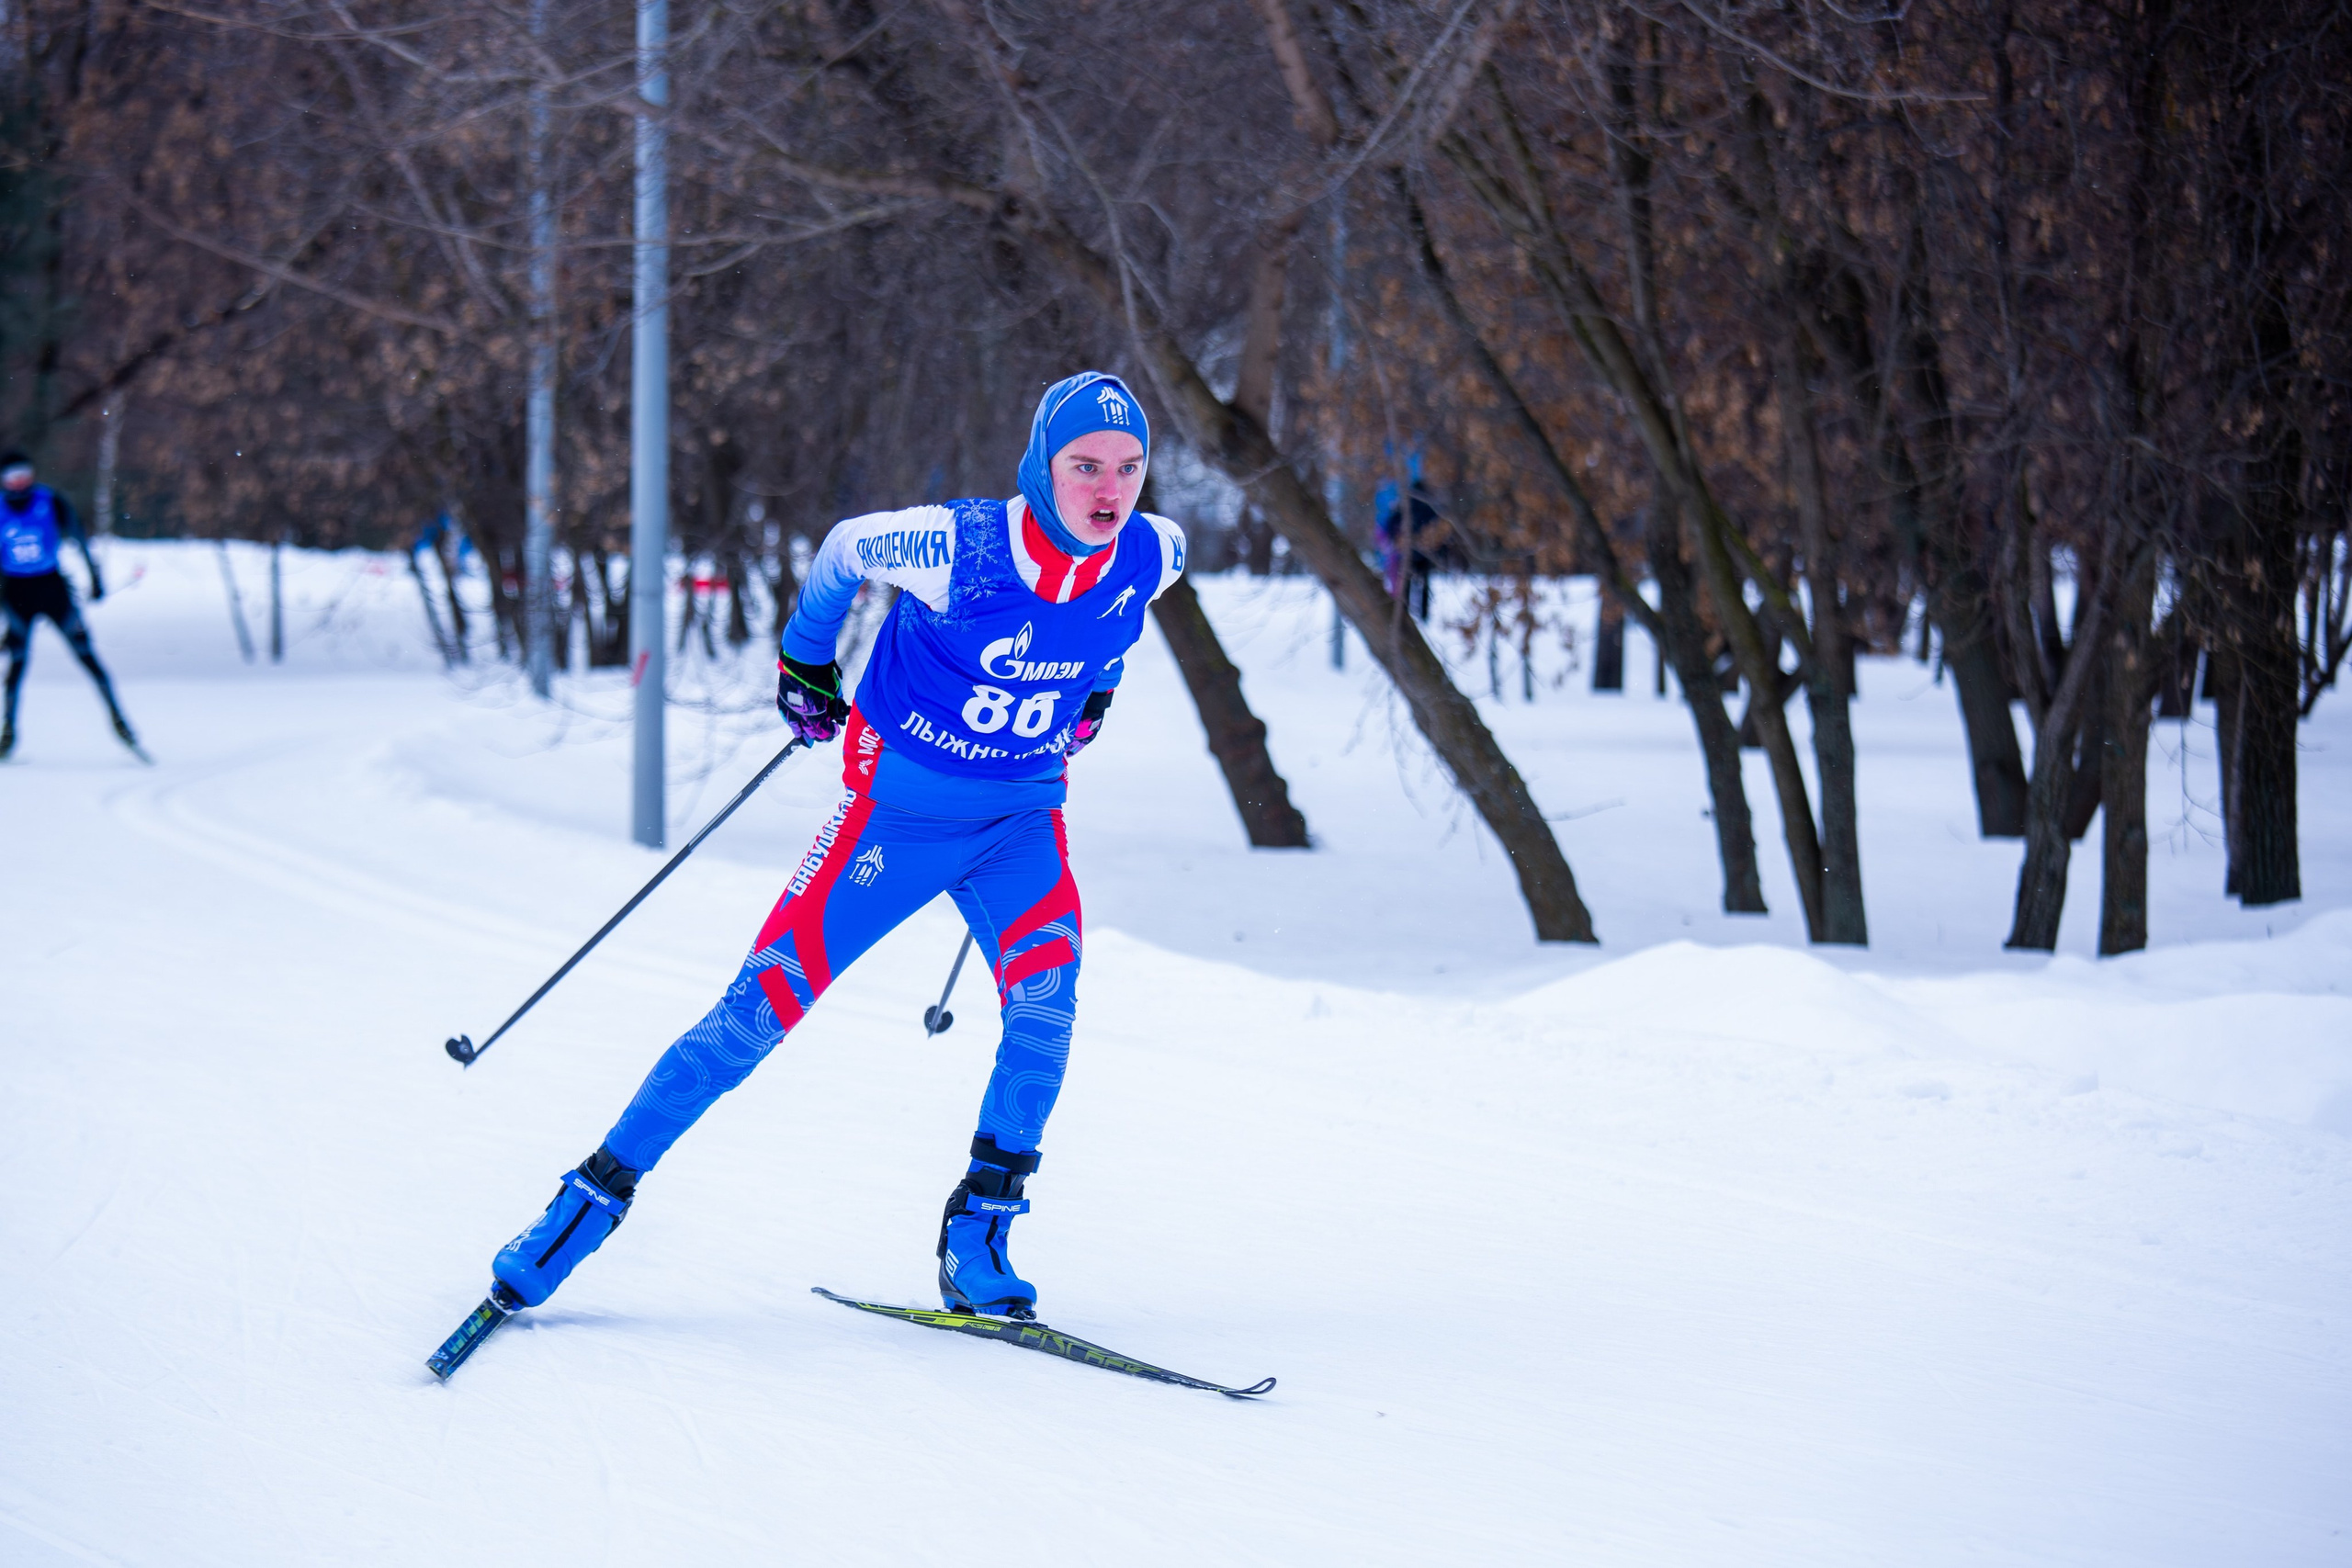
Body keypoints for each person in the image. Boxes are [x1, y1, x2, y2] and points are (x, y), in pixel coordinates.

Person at [485, 371, 1185, 1323]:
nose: (1109, 488)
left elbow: (1117, 623)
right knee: (752, 1017)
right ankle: (586, 1203)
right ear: (1040, 465)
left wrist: (1095, 693)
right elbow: (845, 548)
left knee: (1045, 1010)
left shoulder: (1155, 550)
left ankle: (979, 1232)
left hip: (1018, 823)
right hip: (892, 825)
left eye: (1129, 468)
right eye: (1084, 466)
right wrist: (806, 664)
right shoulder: (956, 545)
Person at [1, 449, 139, 759]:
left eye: (24, 473)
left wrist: (95, 579)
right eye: (12, 476)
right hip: (16, 593)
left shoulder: (50, 501)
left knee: (86, 655)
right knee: (18, 663)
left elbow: (79, 539)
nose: (19, 481)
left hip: (53, 589)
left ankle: (120, 723)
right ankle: (8, 733)